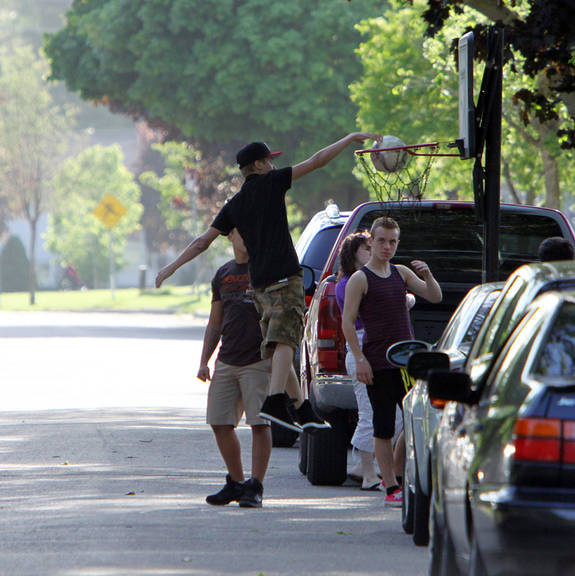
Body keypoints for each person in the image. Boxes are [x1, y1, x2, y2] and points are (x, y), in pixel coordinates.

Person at [156, 132, 379, 433]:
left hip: (258, 285)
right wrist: (349, 138)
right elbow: (316, 161)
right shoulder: (272, 183)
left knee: (277, 349)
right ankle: (275, 400)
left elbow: (201, 242)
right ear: (259, 165)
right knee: (287, 339)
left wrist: (169, 268)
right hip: (285, 277)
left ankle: (301, 406)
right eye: (269, 162)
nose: (274, 167)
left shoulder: (234, 205)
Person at [341, 217, 442, 507]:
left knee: (414, 422)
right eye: (382, 241)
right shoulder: (361, 279)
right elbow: (348, 323)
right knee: (383, 426)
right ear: (370, 241)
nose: (387, 247)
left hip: (406, 364)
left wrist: (429, 275)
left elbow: (434, 296)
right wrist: (360, 360)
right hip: (377, 362)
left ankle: (399, 474)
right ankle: (390, 487)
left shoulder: (401, 272)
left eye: (393, 241)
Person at [197, 229, 271, 508]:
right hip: (227, 359)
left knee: (260, 424)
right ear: (230, 236)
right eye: (243, 231)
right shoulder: (223, 274)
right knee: (219, 422)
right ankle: (237, 484)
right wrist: (204, 360)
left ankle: (256, 485)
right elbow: (215, 322)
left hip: (258, 359)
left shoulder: (267, 270)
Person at [336, 232, 414, 491]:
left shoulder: (393, 274)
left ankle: (384, 470)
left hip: (396, 355)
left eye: (379, 245)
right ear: (352, 253)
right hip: (363, 350)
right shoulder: (349, 282)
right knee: (371, 415)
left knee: (401, 419)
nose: (375, 251)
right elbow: (354, 319)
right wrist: (360, 358)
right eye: (366, 248)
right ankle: (366, 471)